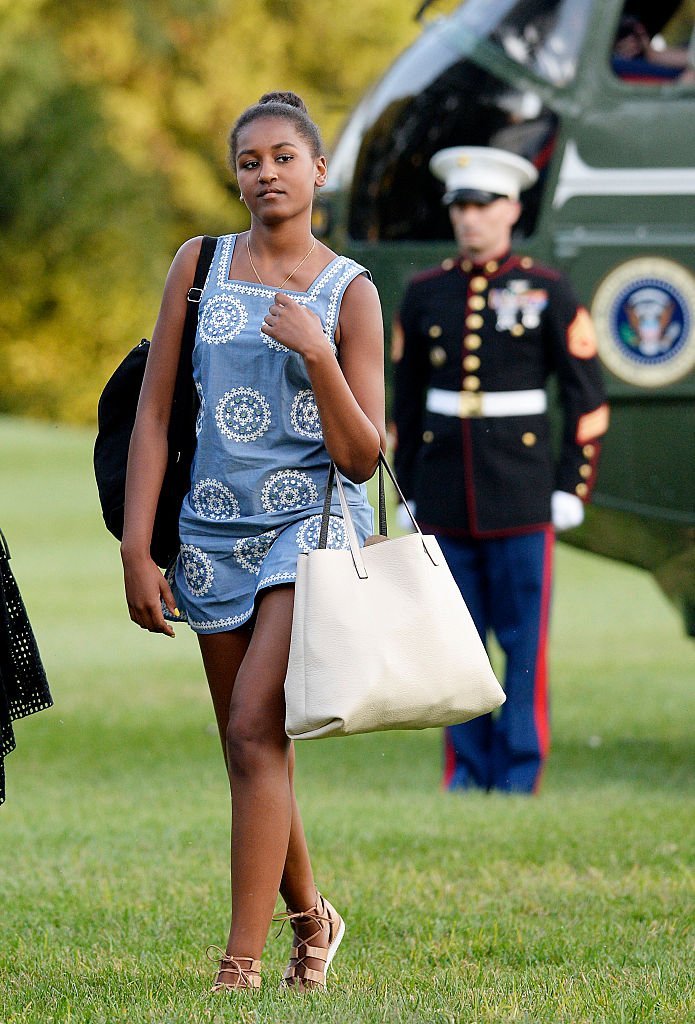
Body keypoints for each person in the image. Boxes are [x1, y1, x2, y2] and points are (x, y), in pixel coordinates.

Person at [120, 91, 386, 992]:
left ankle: (239, 966)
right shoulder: (197, 265)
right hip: (208, 531)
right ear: (236, 176)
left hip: (304, 533)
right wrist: (135, 546)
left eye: (282, 157)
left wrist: (317, 352)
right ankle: (315, 919)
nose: (265, 173)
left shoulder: (349, 291)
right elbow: (154, 415)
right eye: (249, 161)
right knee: (250, 747)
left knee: (250, 725)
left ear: (317, 172)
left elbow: (361, 459)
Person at [392, 146, 608, 795]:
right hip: (441, 495)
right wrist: (405, 488)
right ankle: (465, 771)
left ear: (512, 208)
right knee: (455, 645)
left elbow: (586, 399)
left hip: (520, 497)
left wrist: (571, 485)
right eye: (460, 205)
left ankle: (517, 774)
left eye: (483, 204)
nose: (470, 218)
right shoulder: (424, 293)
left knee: (522, 645)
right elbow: (404, 400)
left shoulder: (547, 289)